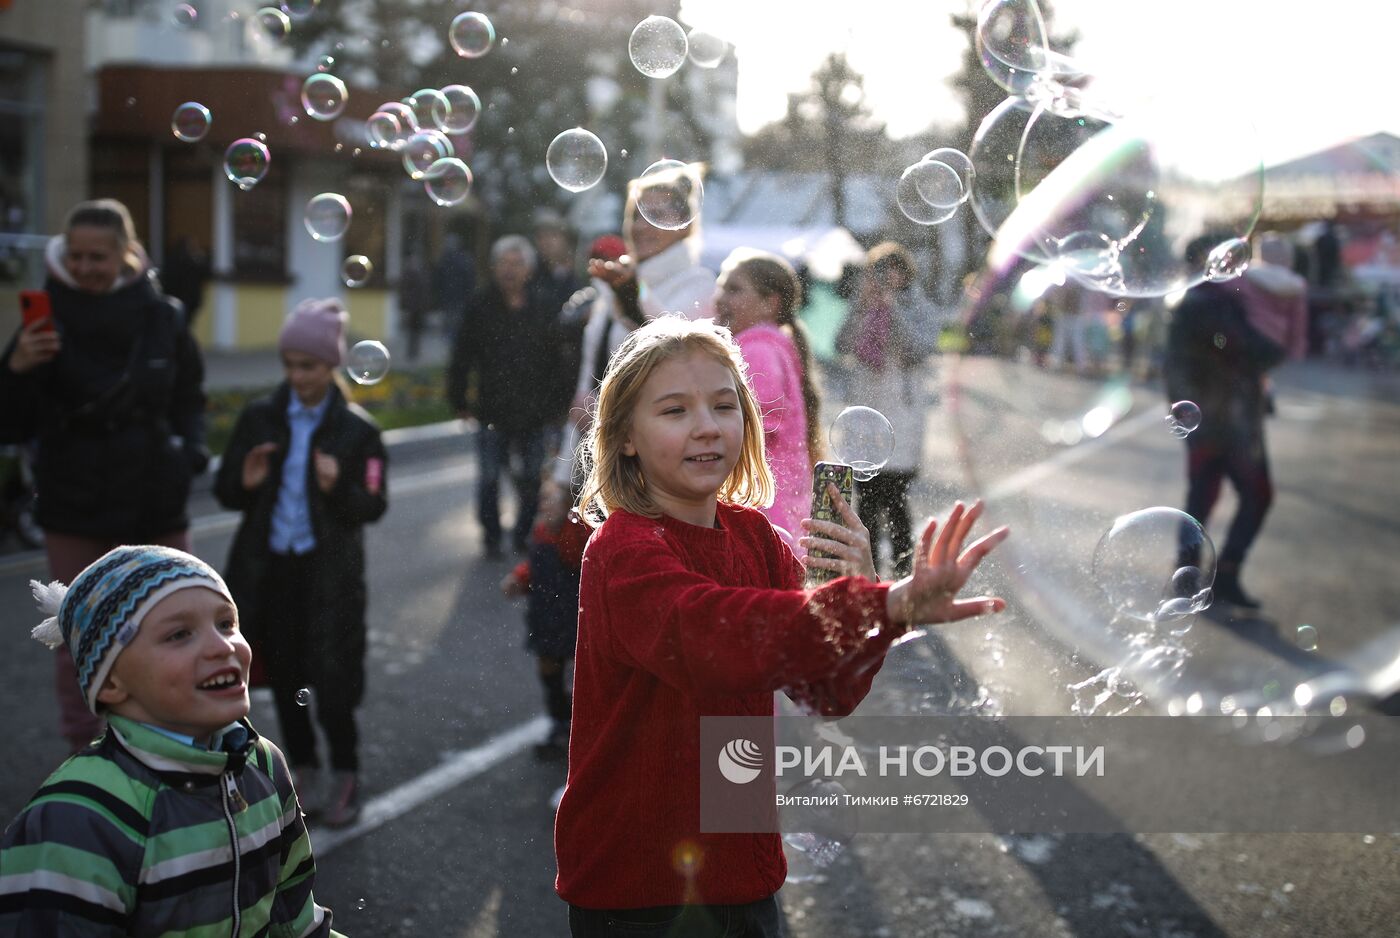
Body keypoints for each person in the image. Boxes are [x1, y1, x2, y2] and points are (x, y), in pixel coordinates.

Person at [554, 316, 1009, 935]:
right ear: (625, 436)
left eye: (723, 405)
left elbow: (827, 692)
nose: (707, 426)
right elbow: (712, 637)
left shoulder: (756, 538)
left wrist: (868, 608)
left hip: (742, 869)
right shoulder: (622, 550)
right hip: (640, 886)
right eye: (674, 411)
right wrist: (878, 607)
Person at [1, 545, 342, 936]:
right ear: (110, 680)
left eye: (227, 624)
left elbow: (294, 918)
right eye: (180, 634)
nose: (222, 646)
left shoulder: (263, 765)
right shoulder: (77, 815)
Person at [0, 198, 208, 753]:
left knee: (176, 622)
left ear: (126, 254)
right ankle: (87, 754)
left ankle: (180, 743)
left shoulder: (163, 315)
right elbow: (9, 422)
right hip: (73, 501)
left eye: (100, 255)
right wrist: (17, 367)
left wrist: (191, 451)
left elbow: (190, 396)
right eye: (77, 255)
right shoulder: (43, 319)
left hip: (154, 498)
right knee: (80, 635)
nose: (87, 266)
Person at [214, 298, 388, 827]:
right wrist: (242, 482)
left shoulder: (359, 430)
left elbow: (374, 504)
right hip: (273, 573)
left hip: (329, 577)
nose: (296, 376)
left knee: (332, 683)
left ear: (331, 364)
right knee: (288, 680)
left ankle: (346, 772)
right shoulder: (260, 417)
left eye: (307, 365)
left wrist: (340, 487)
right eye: (289, 364)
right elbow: (226, 492)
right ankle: (304, 770)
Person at [556, 168, 717, 486]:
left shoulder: (699, 283)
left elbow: (669, 345)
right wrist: (563, 475)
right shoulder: (616, 282)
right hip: (598, 452)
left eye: (656, 215)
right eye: (636, 216)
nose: (642, 227)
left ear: (684, 226)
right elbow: (590, 376)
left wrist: (631, 293)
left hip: (655, 460)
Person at [1166, 235, 1287, 609]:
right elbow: (1254, 349)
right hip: (1225, 421)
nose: (1239, 264)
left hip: (1216, 418)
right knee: (1252, 495)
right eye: (1231, 256)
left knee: (1202, 497)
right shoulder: (1209, 303)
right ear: (1209, 259)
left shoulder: (1208, 299)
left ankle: (1191, 576)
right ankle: (1217, 575)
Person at [447, 235, 564, 556]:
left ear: (529, 269)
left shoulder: (543, 305)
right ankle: (491, 535)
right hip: (492, 409)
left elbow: (558, 360)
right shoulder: (480, 305)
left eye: (517, 263)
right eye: (504, 263)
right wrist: (458, 399)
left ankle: (524, 533)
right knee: (488, 478)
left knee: (530, 478)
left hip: (535, 411)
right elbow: (461, 356)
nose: (510, 270)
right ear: (494, 267)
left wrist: (558, 404)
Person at [837, 242, 941, 578]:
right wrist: (861, 310)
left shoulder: (918, 307)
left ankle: (903, 573)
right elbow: (841, 345)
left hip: (901, 415)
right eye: (877, 271)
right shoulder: (863, 305)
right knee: (865, 498)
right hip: (865, 413)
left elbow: (918, 351)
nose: (884, 278)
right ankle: (869, 577)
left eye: (890, 270)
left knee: (895, 497)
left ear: (904, 272)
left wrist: (891, 309)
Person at [714, 248, 822, 543]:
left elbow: (753, 426)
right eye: (721, 286)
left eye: (734, 289)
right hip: (777, 508)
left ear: (769, 303)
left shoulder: (757, 351)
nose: (720, 297)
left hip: (765, 509)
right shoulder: (768, 346)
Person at [500, 478, 590, 757]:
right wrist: (519, 578)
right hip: (545, 616)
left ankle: (582, 728)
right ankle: (559, 721)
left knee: (579, 677)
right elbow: (537, 567)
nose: (543, 504)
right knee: (548, 668)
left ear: (567, 508)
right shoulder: (541, 532)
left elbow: (579, 560)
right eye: (543, 499)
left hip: (572, 618)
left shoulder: (574, 535)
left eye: (550, 499)